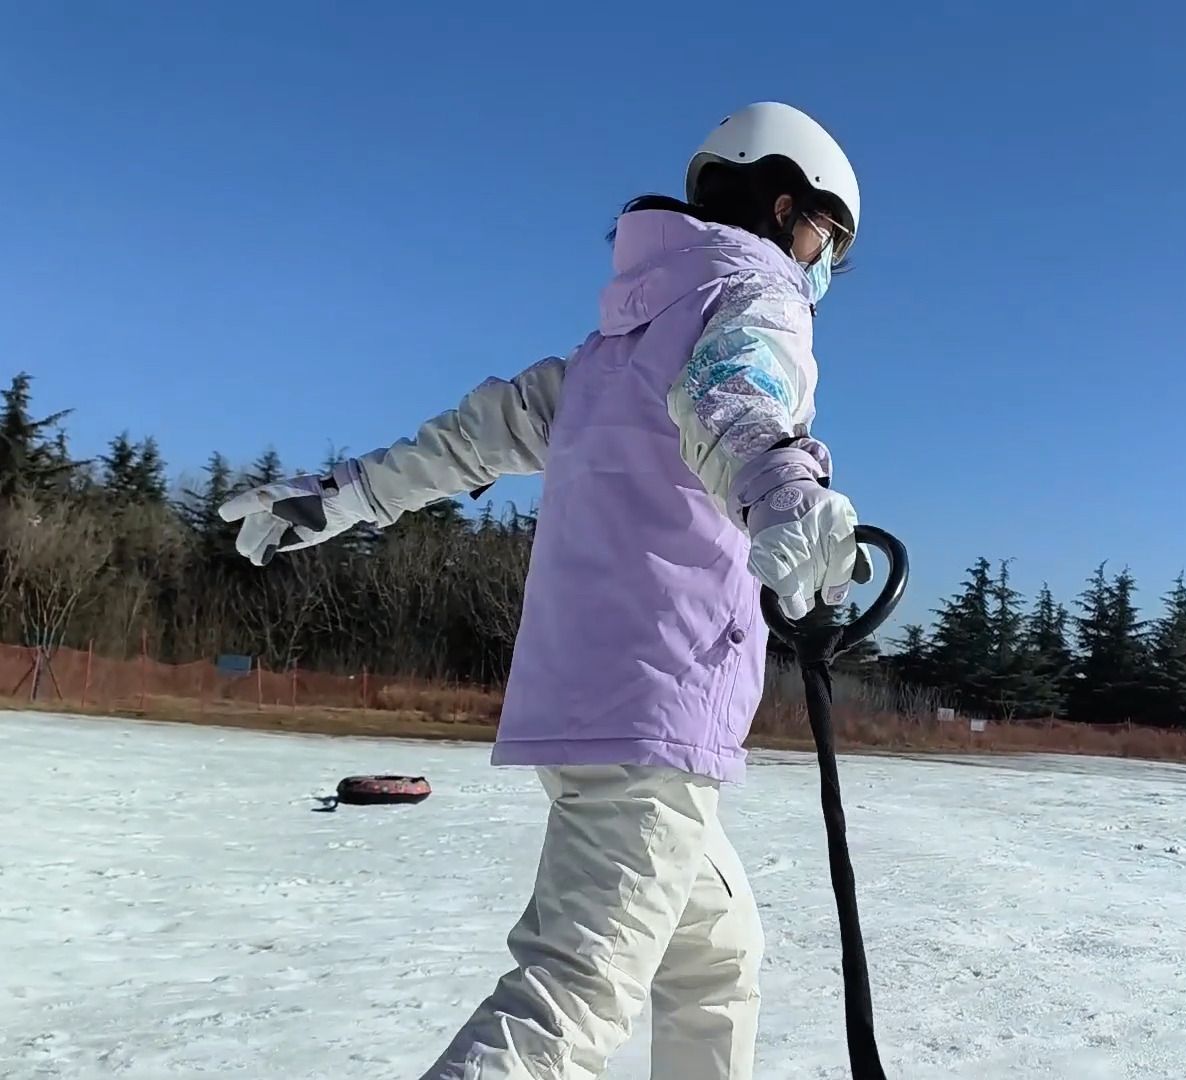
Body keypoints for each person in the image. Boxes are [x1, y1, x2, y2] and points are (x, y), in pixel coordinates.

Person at [218, 101, 868, 1080]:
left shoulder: (615, 350)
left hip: (586, 713)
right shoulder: (759, 300)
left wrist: (339, 497)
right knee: (570, 997)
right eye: (832, 242)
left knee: (717, 955)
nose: (827, 269)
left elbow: (474, 435)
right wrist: (787, 501)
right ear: (789, 210)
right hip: (655, 713)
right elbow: (732, 397)